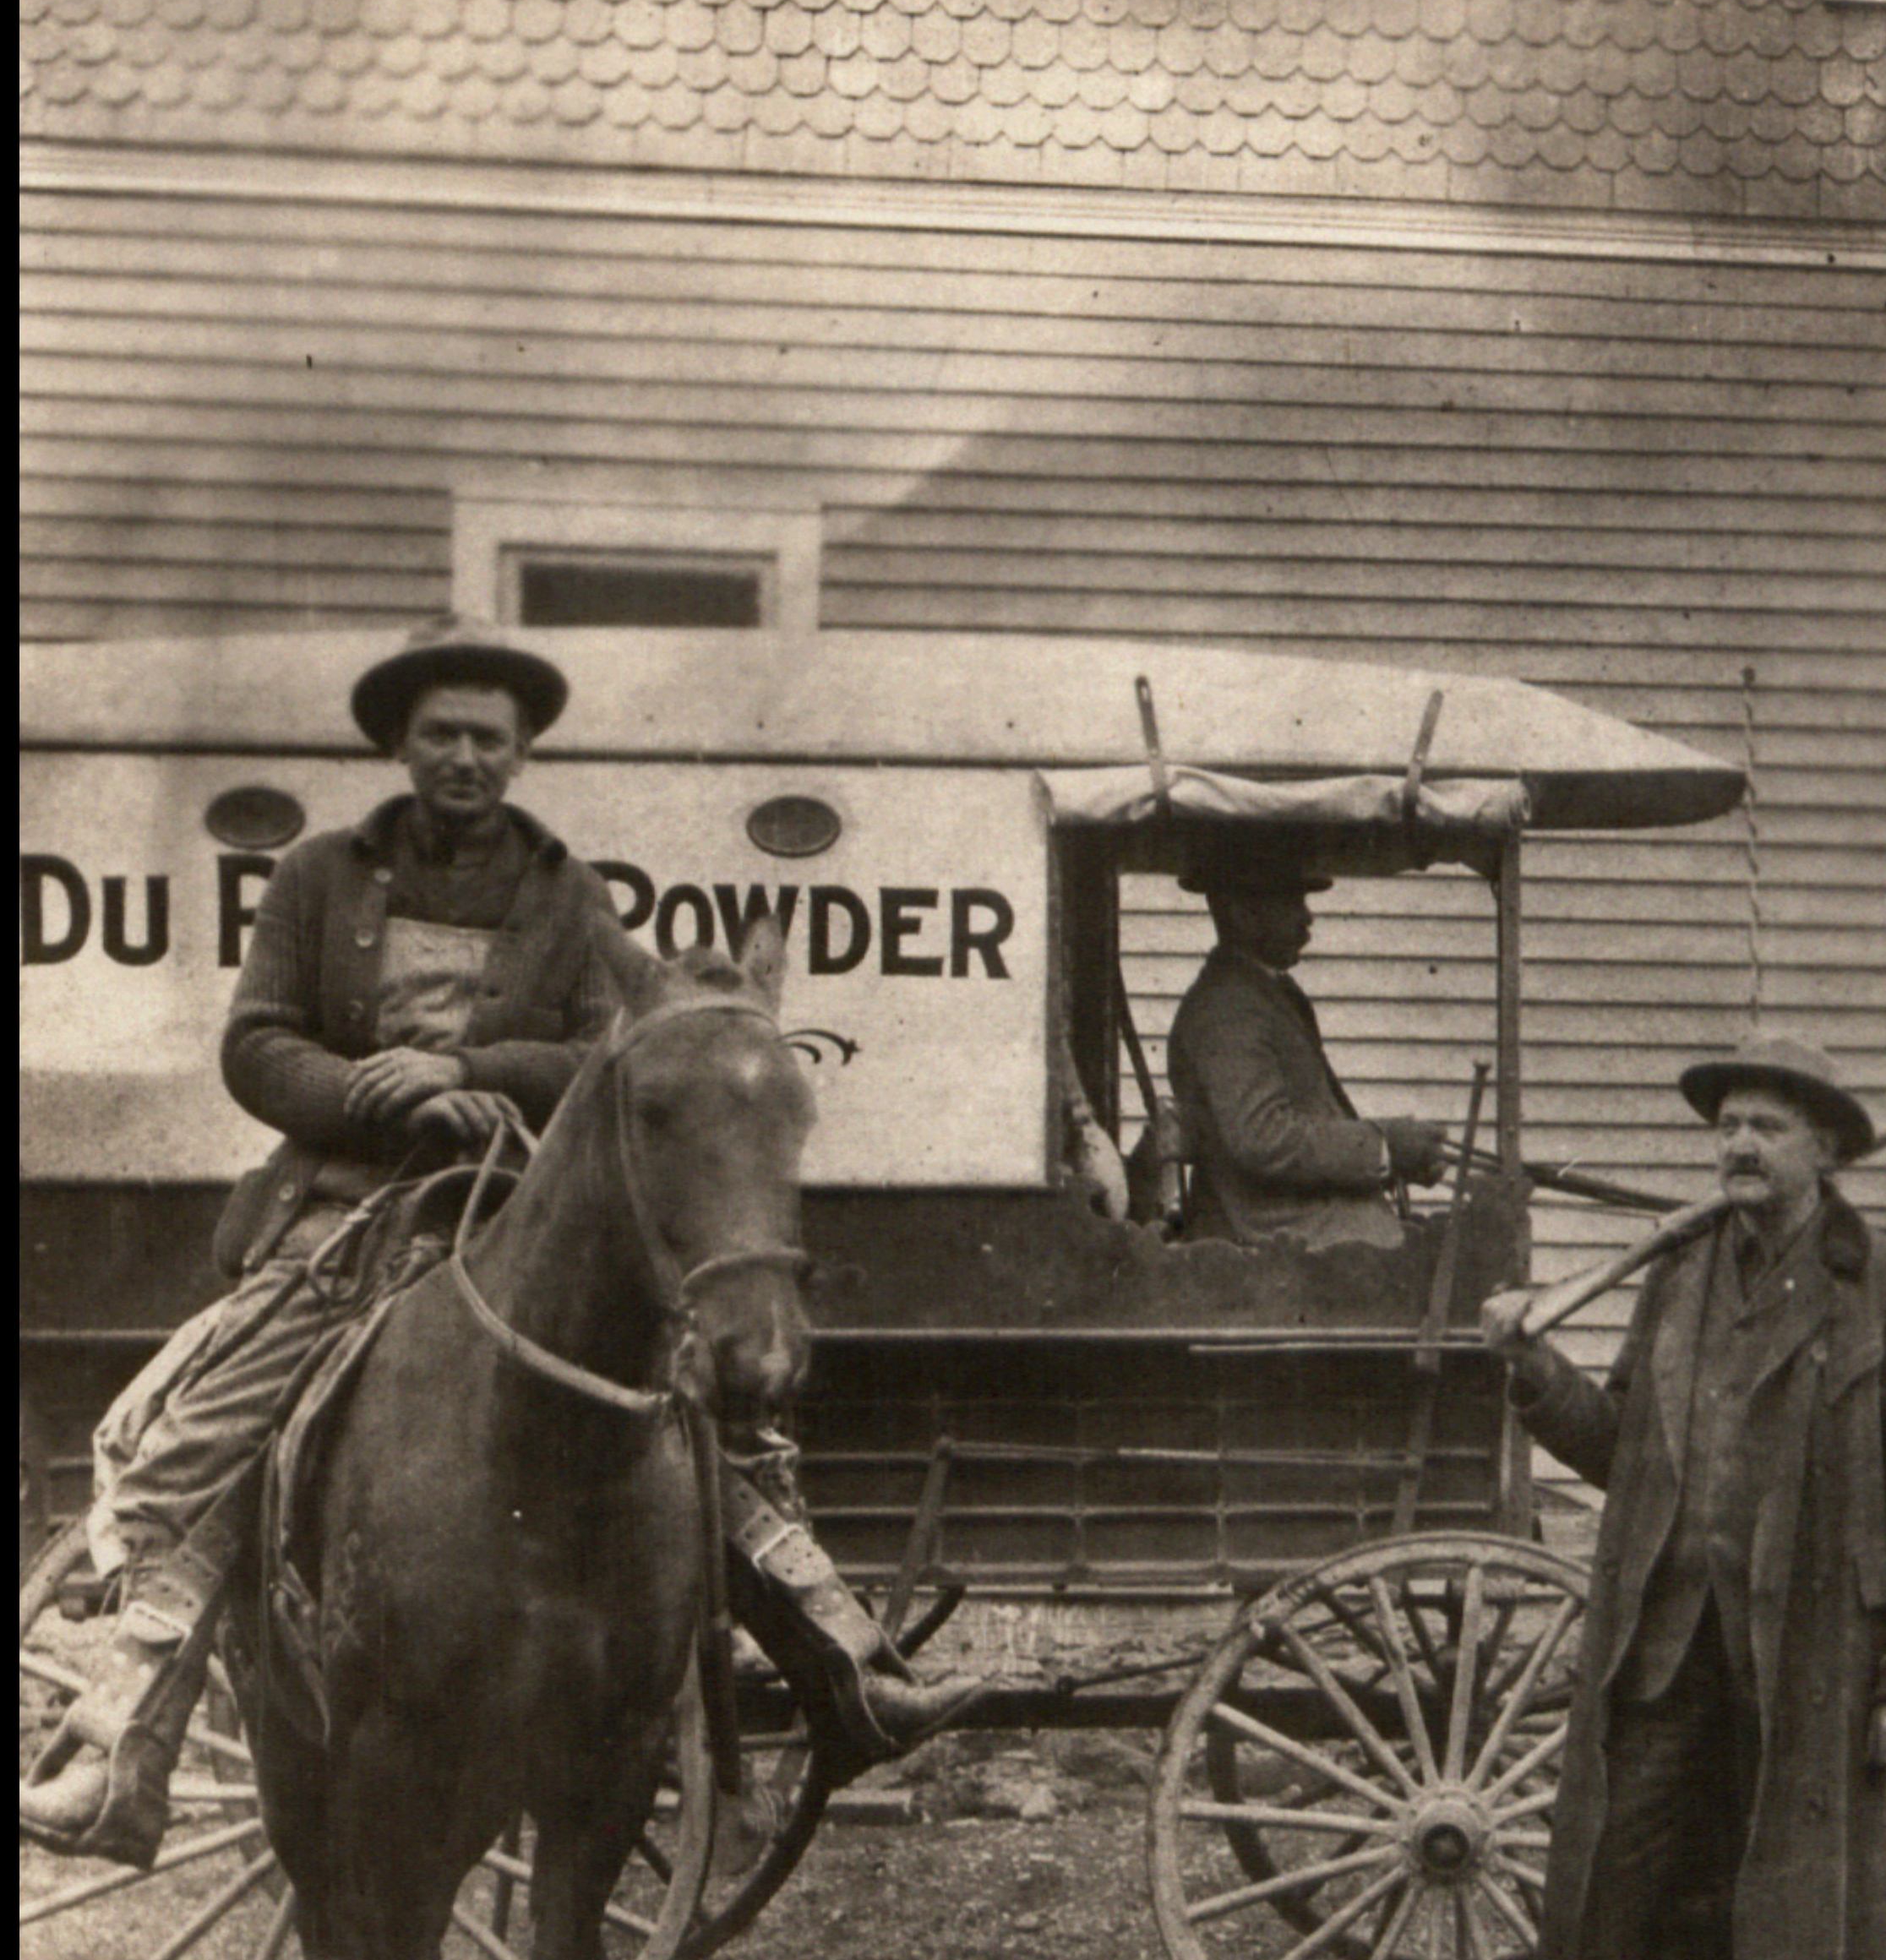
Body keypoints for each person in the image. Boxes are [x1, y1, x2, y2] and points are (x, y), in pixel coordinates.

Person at [18, 623, 979, 1865]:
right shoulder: (316, 876)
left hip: (516, 1198)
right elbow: (256, 1043)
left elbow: (609, 1054)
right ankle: (117, 1739)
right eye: (439, 735)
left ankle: (843, 1663)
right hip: (348, 1207)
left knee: (696, 1407)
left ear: (521, 752)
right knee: (210, 1431)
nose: (463, 757)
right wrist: (386, 1090)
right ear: (401, 747)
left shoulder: (569, 896)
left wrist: (469, 1070)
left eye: (487, 736)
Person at [1413, 1032, 1886, 1960]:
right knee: (1597, 1915)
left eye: (1766, 1125)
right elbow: (1623, 1453)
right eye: (1725, 1125)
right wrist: (1537, 1374)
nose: (1736, 1145)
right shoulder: (1675, 1279)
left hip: (1810, 1666)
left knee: (1786, 1923)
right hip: (1659, 1657)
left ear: (1824, 1149)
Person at [1163, 833, 1453, 1246]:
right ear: (1243, 913)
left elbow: (1303, 1119)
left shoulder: (1268, 993)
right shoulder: (1227, 1008)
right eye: (1291, 902)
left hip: (1299, 1228)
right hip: (1271, 1239)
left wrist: (1394, 1151)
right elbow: (1263, 1138)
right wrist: (1383, 1147)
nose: (1307, 917)